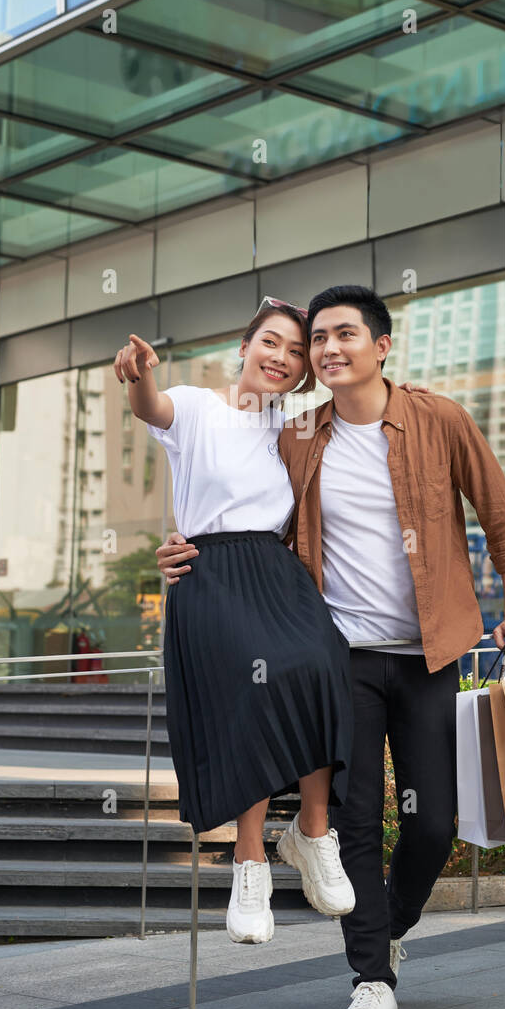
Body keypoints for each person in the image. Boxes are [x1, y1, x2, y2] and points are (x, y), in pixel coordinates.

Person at [156, 284, 505, 1009]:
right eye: (316, 341)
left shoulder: (438, 419)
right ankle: (370, 979)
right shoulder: (298, 436)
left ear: (380, 346)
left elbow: (499, 514)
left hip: (428, 652)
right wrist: (178, 548)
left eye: (342, 336)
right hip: (341, 655)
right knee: (356, 821)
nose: (327, 350)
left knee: (430, 825)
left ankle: (386, 927)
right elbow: (236, 505)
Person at [114, 299, 357, 947]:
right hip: (209, 573)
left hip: (275, 571)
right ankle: (249, 863)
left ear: (304, 371)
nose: (280, 357)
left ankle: (310, 833)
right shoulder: (195, 405)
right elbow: (149, 408)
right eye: (270, 343)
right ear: (244, 348)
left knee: (324, 666)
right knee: (252, 692)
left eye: (295, 352)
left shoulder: (297, 432)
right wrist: (138, 373)